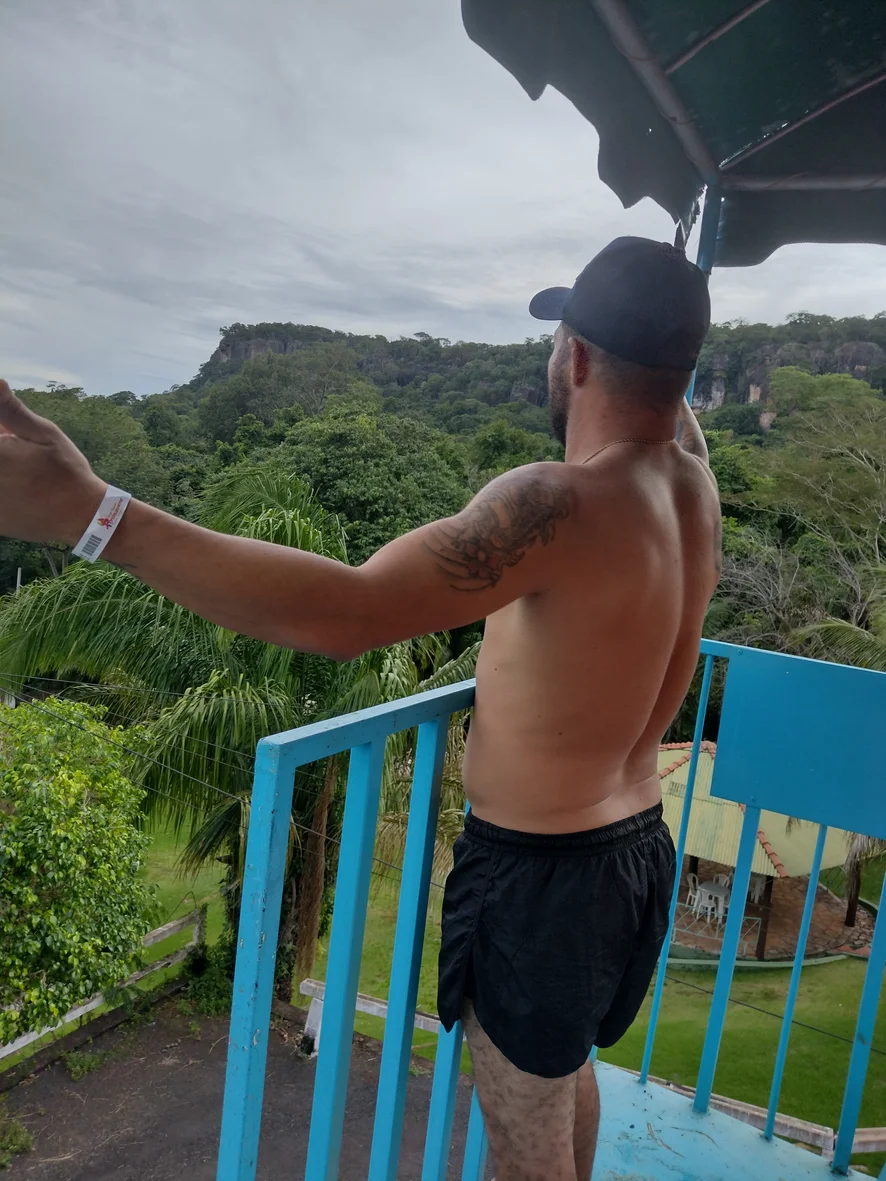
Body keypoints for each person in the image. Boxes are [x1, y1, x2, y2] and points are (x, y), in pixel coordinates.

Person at [0, 236, 720, 1181]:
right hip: (634, 847)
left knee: (524, 1150)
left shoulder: (558, 503)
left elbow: (349, 612)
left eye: (557, 341)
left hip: (542, 882)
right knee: (566, 1071)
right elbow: (670, 403)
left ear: (577, 357)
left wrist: (97, 514)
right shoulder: (691, 482)